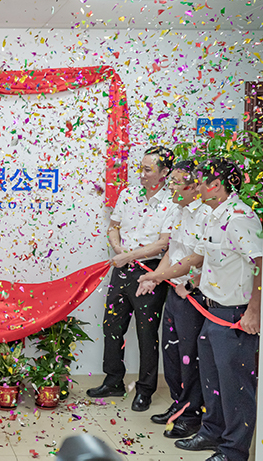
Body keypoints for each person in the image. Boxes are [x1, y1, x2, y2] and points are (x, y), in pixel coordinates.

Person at [174, 158, 262, 461]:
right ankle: (212, 432)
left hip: (234, 314)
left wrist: (254, 312)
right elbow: (207, 258)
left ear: (216, 185)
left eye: (201, 182)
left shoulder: (239, 218)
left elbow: (261, 264)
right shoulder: (214, 215)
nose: (196, 186)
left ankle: (234, 451)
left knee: (235, 385)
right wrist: (188, 280)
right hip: (212, 311)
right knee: (212, 379)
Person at [86, 146, 175, 412]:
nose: (142, 174)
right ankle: (113, 379)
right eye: (141, 168)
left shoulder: (172, 202)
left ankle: (145, 389)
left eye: (148, 169)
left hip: (150, 272)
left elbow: (163, 243)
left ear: (164, 172)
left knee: (147, 333)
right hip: (122, 267)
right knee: (112, 326)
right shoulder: (128, 194)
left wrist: (130, 255)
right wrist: (119, 249)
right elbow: (113, 227)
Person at [136, 160, 211, 438]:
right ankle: (178, 405)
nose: (171, 188)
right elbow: (173, 251)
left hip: (192, 293)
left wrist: (160, 276)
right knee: (173, 353)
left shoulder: (205, 214)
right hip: (174, 290)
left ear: (194, 187)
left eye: (176, 183)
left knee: (190, 357)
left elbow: (196, 259)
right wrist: (156, 277)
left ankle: (191, 415)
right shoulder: (177, 210)